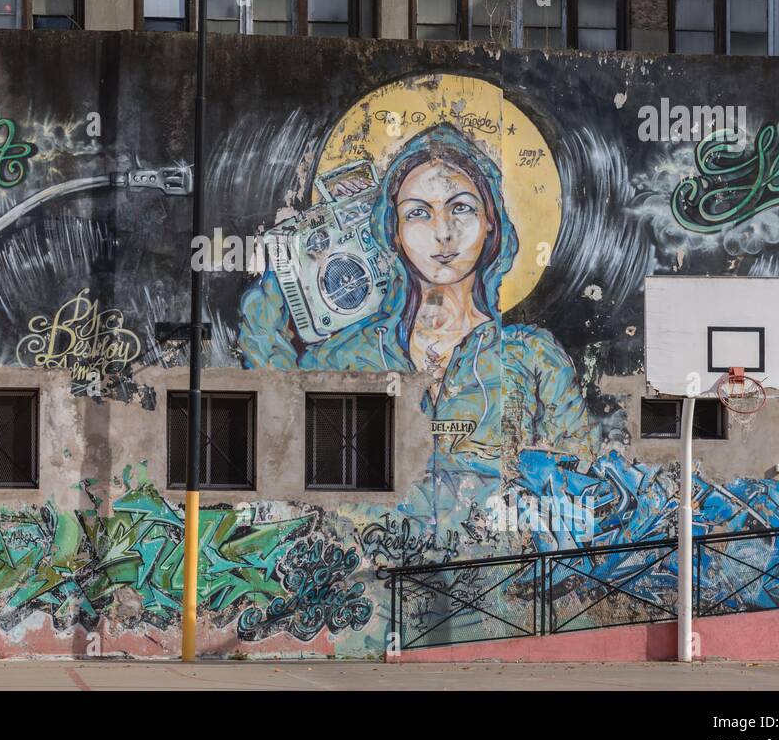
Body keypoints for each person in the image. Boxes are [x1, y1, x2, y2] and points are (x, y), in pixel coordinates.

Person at [241, 123, 587, 534]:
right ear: (394, 231)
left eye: (462, 208)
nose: (443, 233)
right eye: (418, 213)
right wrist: (282, 276)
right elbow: (279, 416)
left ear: (491, 221)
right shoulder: (347, 357)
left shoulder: (532, 357)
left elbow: (576, 481)